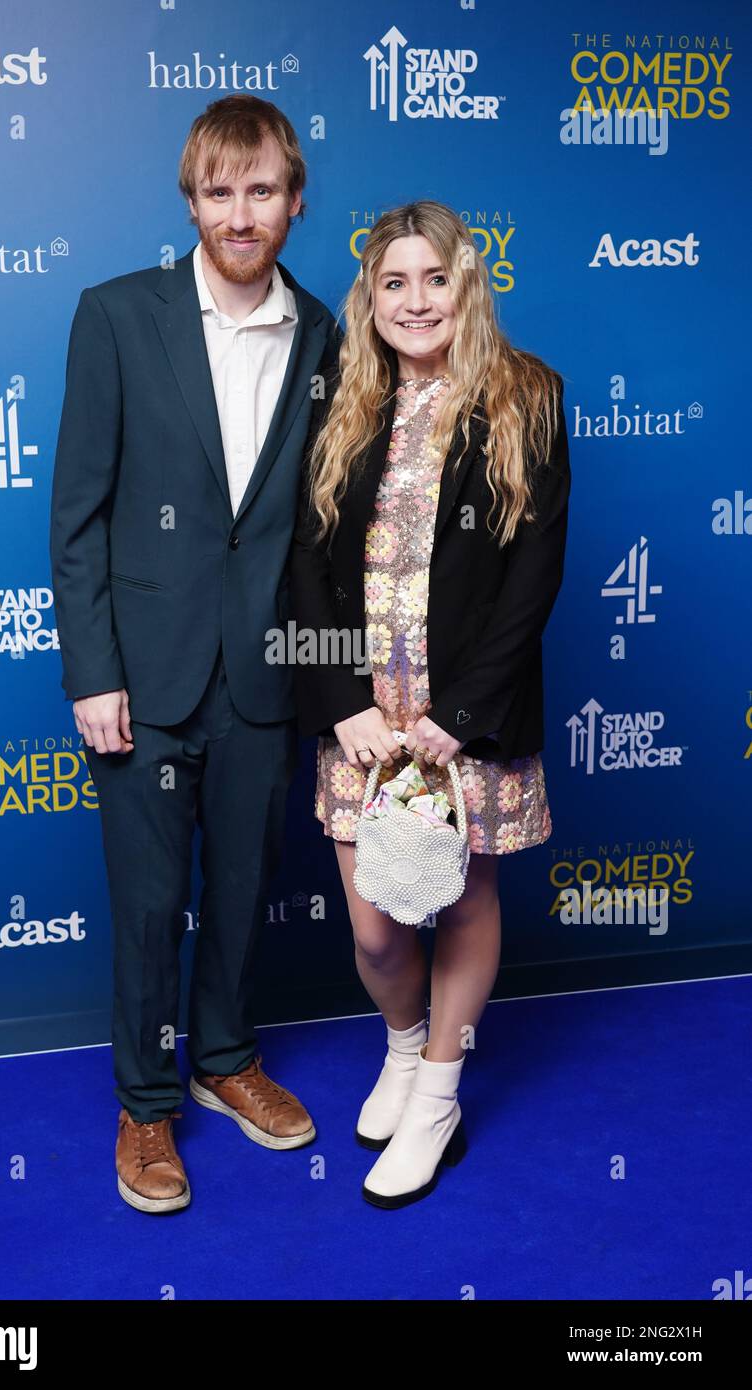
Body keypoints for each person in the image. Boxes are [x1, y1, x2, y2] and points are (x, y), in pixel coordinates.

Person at [49, 94, 342, 1213]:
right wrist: (92, 671)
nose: (239, 211)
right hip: (144, 674)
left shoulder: (325, 334)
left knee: (244, 889)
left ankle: (221, 1060)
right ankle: (143, 1103)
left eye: (260, 189)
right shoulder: (117, 317)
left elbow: (326, 522)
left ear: (293, 201)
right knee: (144, 900)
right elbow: (78, 515)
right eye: (218, 191)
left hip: (264, 673)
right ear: (190, 201)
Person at [288, 200, 571, 1209]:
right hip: (364, 719)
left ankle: (441, 1091)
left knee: (463, 904)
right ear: (370, 297)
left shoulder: (525, 395)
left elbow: (531, 577)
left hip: (463, 716)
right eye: (392, 282)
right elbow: (301, 566)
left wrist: (460, 711)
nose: (414, 301)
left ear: (466, 283)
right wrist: (338, 703)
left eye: (433, 278)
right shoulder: (341, 396)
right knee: (374, 927)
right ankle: (402, 1050)